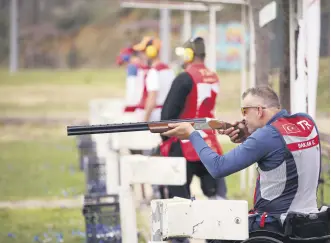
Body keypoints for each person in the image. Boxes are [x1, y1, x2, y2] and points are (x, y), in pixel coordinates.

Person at [162, 86, 322, 237]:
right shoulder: (306, 121)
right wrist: (249, 138)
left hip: (276, 226)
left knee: (212, 228)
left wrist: (192, 135)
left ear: (259, 110)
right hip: (310, 222)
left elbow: (217, 167)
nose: (243, 118)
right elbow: (283, 151)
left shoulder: (266, 136)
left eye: (245, 111)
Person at [132, 36, 176, 200]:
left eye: (144, 51)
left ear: (151, 51)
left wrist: (143, 121)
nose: (142, 54)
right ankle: (165, 189)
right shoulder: (169, 70)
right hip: (169, 118)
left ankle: (156, 191)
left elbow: (151, 99)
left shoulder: (153, 72)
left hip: (155, 119)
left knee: (151, 156)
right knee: (165, 154)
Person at [115, 46, 149, 113]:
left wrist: (130, 104)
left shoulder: (132, 67)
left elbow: (132, 89)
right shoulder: (144, 66)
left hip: (138, 105)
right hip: (145, 102)